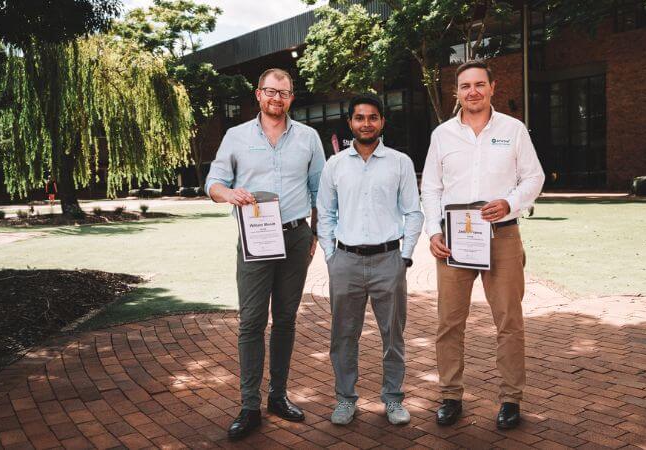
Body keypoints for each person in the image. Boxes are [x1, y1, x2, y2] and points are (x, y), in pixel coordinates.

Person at [420, 60, 545, 430]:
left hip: (502, 236)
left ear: (492, 87)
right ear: (456, 92)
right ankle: (449, 395)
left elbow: (533, 176)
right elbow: (431, 188)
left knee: (509, 321)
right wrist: (433, 232)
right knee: (449, 321)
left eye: (479, 84)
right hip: (455, 239)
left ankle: (511, 399)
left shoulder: (513, 129)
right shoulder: (442, 134)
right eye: (464, 86)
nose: (472, 91)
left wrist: (509, 202)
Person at [205, 68, 326, 440]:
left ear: (292, 97)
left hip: (294, 237)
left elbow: (321, 190)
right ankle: (248, 406)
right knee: (252, 322)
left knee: (287, 319)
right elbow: (213, 183)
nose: (277, 98)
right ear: (258, 94)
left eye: (284, 93)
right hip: (255, 237)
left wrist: (315, 234)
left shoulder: (308, 137)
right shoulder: (236, 136)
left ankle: (278, 397)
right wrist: (230, 194)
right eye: (271, 92)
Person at [317, 93, 423, 426]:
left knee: (393, 335)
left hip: (388, 259)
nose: (366, 123)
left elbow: (414, 213)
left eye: (373, 117)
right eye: (360, 117)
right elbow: (324, 213)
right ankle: (345, 399)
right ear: (350, 123)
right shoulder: (334, 165)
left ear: (382, 122)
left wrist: (404, 258)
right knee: (343, 335)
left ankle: (393, 399)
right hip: (345, 261)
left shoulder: (400, 162)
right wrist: (331, 256)